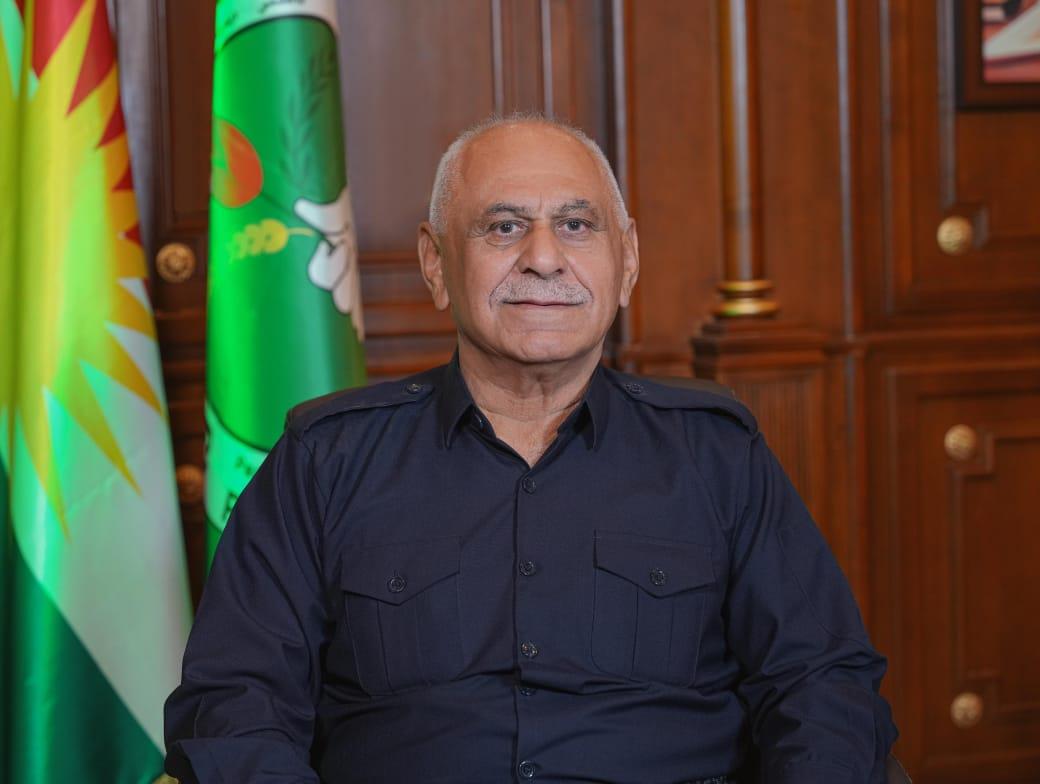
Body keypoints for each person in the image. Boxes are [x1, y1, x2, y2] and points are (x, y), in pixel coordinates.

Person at [164, 114, 897, 783]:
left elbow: (822, 683)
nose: (544, 258)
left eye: (576, 225)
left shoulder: (717, 455)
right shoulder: (325, 460)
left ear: (627, 261)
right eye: (504, 227)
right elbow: (235, 703)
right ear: (434, 262)